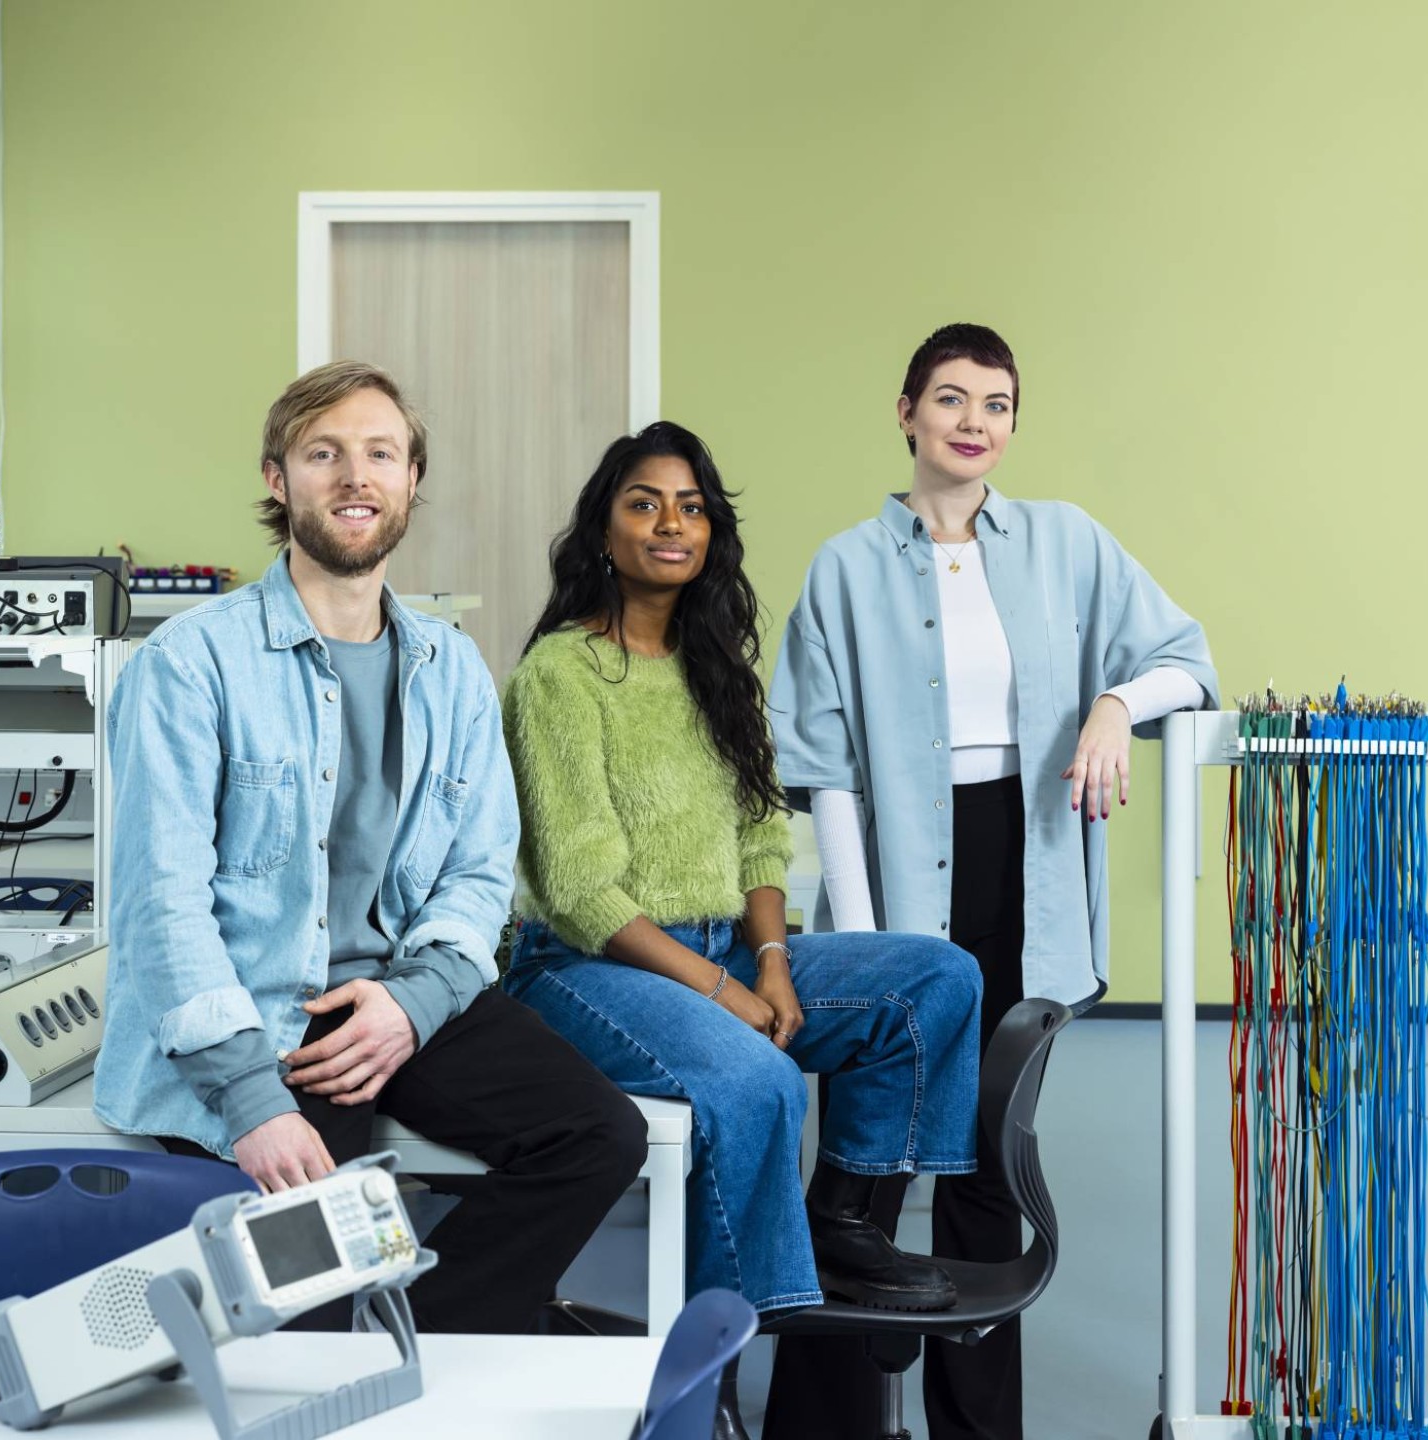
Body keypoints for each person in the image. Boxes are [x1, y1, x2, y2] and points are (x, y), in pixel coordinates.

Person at [94, 359, 648, 1335]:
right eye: (325, 454)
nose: (356, 477)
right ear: (278, 478)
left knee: (599, 1136)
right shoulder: (188, 665)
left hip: (394, 995)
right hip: (263, 1015)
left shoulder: (451, 668)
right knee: (304, 1283)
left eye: (380, 454)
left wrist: (412, 1003)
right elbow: (159, 905)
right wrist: (249, 1100)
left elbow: (480, 875)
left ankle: (415, 1343)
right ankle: (355, 1345)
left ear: (411, 480)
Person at [763, 324, 1219, 1438]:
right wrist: (873, 953)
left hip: (1029, 869)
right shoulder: (844, 566)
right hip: (890, 877)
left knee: (986, 1159)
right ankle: (835, 1419)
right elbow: (822, 772)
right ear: (908, 410)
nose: (975, 422)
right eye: (953, 399)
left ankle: (977, 1428)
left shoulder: (1069, 545)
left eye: (998, 405)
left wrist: (1115, 705)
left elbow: (1188, 662)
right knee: (864, 1170)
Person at [500, 420, 985, 1431]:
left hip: (724, 944)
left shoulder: (716, 667)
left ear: (713, 532)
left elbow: (763, 838)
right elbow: (584, 888)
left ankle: (839, 1223)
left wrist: (768, 964)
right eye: (644, 503)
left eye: (692, 507)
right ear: (603, 530)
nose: (670, 524)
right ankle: (710, 1382)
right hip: (586, 967)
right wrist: (725, 995)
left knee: (938, 978)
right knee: (755, 1077)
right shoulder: (560, 674)